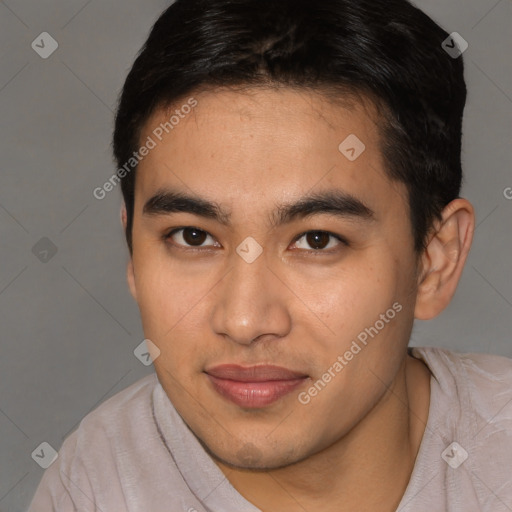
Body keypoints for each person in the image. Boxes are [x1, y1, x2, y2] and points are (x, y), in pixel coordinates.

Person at [28, 0, 512, 510]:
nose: (243, 320)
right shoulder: (95, 486)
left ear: (435, 261)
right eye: (192, 237)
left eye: (317, 240)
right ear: (133, 252)